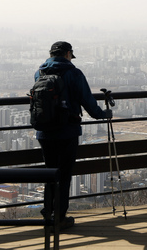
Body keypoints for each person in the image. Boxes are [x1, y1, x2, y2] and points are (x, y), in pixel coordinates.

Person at [35, 41, 112, 230]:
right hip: (67, 131)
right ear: (68, 54)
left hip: (44, 132)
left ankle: (48, 214)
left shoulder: (40, 72)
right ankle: (60, 217)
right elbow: (88, 101)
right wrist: (104, 114)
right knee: (64, 175)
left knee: (49, 173)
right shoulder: (74, 73)